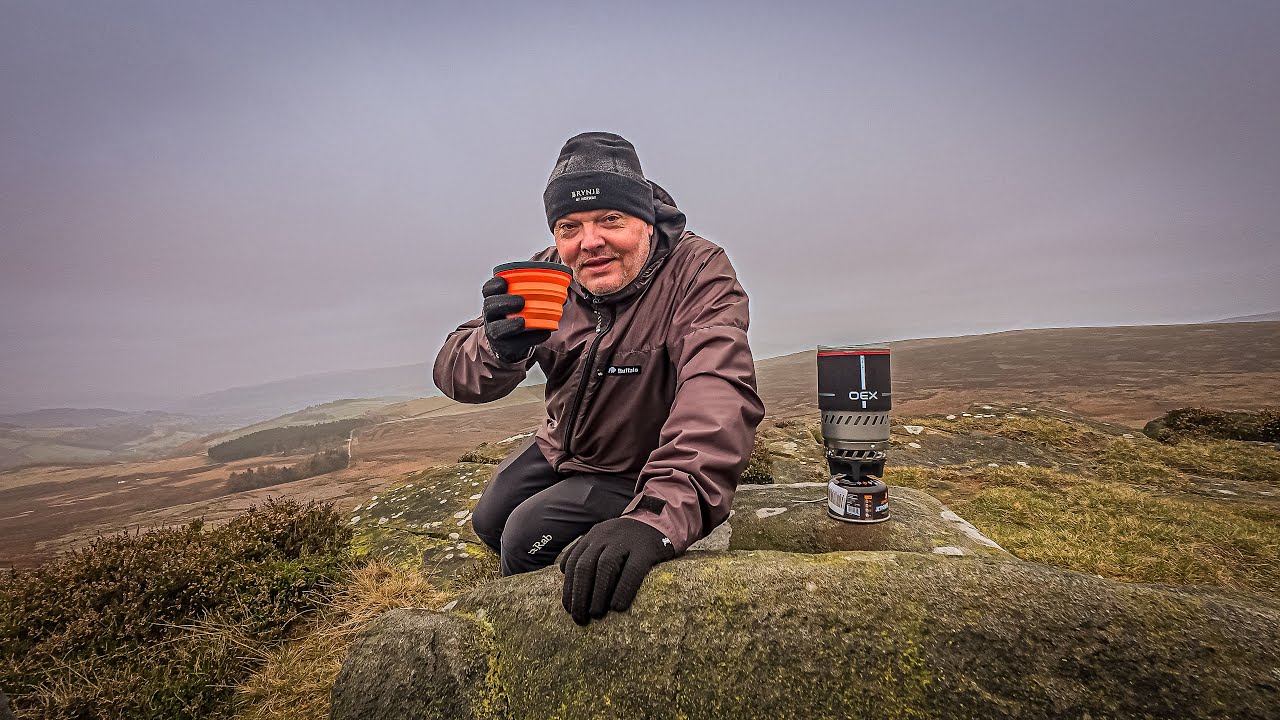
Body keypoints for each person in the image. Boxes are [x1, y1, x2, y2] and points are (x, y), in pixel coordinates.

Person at [433, 131, 764, 625]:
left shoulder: (697, 273)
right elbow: (456, 375)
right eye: (569, 226)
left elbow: (717, 391)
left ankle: (534, 638)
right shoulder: (548, 274)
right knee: (489, 521)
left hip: (635, 463)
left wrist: (655, 518)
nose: (590, 242)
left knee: (524, 539)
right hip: (561, 445)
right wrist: (498, 347)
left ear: (645, 220)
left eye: (610, 219)